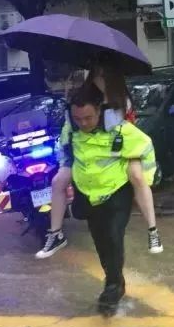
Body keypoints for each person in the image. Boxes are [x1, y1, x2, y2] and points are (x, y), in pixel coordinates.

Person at [38, 64, 163, 259]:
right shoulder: (83, 98)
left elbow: (125, 130)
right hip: (86, 151)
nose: (99, 78)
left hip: (124, 148)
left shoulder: (122, 100)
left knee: (138, 176)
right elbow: (71, 127)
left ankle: (152, 231)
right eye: (97, 74)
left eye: (103, 75)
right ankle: (56, 234)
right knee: (58, 181)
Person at [60, 82, 158, 314]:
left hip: (118, 189)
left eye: (88, 118)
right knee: (102, 242)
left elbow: (145, 147)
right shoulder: (72, 128)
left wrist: (144, 182)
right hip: (91, 192)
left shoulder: (118, 123)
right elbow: (65, 153)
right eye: (78, 119)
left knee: (114, 236)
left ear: (100, 109)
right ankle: (114, 279)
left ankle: (112, 287)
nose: (83, 123)